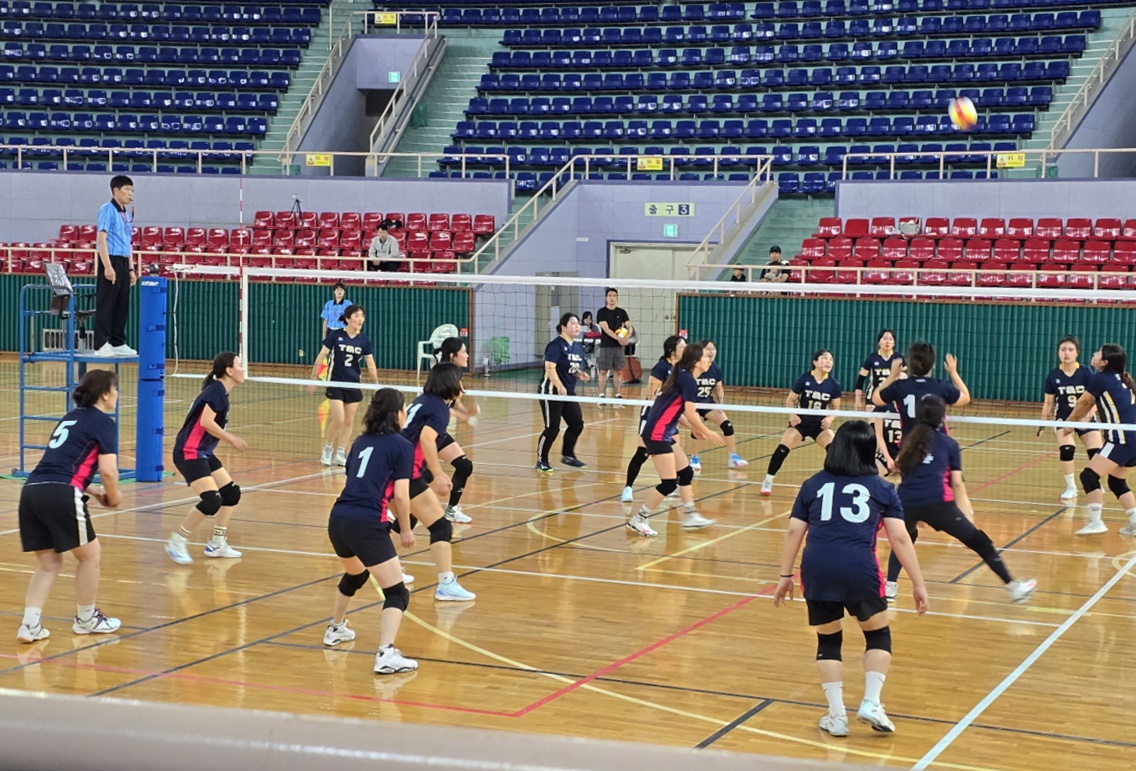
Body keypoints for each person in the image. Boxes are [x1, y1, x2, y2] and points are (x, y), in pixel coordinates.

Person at [772, 420, 929, 737]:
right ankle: (871, 702)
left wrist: (785, 575)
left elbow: (793, 531)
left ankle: (837, 716)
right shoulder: (882, 488)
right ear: (869, 452)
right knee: (878, 635)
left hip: (817, 569)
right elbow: (900, 539)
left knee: (828, 640)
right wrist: (918, 583)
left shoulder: (812, 485)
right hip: (860, 569)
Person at [885, 396, 1038, 603]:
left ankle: (890, 587)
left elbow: (900, 470)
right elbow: (957, 484)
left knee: (904, 537)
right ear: (943, 418)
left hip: (906, 502)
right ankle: (1013, 587)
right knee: (980, 542)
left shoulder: (908, 440)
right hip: (938, 504)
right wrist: (967, 516)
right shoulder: (949, 443)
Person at [17, 370, 123, 642]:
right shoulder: (104, 422)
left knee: (49, 562)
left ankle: (30, 625)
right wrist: (113, 496)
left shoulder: (70, 418)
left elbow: (61, 464)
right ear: (105, 394)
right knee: (90, 555)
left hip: (31, 491)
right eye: (115, 389)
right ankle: (87, 619)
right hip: (61, 493)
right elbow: (108, 471)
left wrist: (94, 490)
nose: (117, 395)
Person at [323, 388, 419, 674]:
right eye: (404, 409)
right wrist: (405, 529)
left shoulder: (361, 441)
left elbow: (356, 480)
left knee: (356, 573)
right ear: (398, 413)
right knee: (397, 592)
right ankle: (386, 653)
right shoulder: (402, 446)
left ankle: (335, 628)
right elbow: (401, 494)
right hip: (366, 523)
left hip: (339, 519)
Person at [392, 363, 477, 601]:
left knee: (407, 519)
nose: (462, 385)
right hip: (404, 471)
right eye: (460, 380)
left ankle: (389, 566)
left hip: (391, 467)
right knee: (441, 527)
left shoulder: (424, 401)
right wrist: (438, 474)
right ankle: (446, 584)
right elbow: (426, 438)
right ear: (451, 382)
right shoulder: (438, 407)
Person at [627, 343, 722, 536]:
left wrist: (695, 428)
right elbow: (691, 413)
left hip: (664, 433)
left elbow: (677, 412)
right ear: (696, 362)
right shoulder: (687, 380)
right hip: (657, 434)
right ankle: (639, 519)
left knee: (686, 473)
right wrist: (708, 431)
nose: (709, 359)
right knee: (669, 483)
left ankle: (690, 515)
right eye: (706, 357)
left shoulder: (684, 377)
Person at [165, 353, 248, 565]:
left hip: (203, 452)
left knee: (230, 493)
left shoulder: (220, 391)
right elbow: (206, 422)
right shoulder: (217, 390)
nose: (243, 369)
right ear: (229, 371)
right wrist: (231, 439)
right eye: (239, 365)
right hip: (189, 451)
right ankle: (177, 540)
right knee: (212, 500)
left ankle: (217, 543)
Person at [1064, 343, 1136, 536]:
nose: (1094, 354)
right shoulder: (1123, 379)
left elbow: (1084, 402)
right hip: (1132, 439)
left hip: (1121, 439)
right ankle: (1135, 522)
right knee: (1117, 481)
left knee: (1089, 476)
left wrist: (1069, 423)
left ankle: (1096, 522)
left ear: (1104, 362)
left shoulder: (1101, 378)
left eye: (1098, 353)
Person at [761, 350, 842, 495]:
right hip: (801, 423)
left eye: (831, 359)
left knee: (835, 450)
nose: (828, 361)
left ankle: (835, 482)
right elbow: (790, 400)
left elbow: (836, 407)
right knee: (783, 448)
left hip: (819, 425)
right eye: (825, 358)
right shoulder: (804, 379)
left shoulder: (834, 384)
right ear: (815, 362)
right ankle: (768, 480)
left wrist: (830, 419)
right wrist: (793, 415)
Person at [309, 304, 379, 467]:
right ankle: (327, 449)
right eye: (356, 316)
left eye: (362, 316)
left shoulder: (364, 340)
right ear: (347, 319)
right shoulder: (336, 335)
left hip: (353, 384)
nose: (360, 319)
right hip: (335, 382)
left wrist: (376, 383)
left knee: (348, 421)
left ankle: (340, 453)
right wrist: (313, 377)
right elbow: (322, 355)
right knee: (338, 419)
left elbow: (370, 362)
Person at [622, 334, 685, 502]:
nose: (685, 349)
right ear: (672, 350)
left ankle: (672, 484)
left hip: (669, 416)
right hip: (652, 413)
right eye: (682, 347)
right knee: (642, 452)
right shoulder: (661, 367)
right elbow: (650, 394)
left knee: (674, 450)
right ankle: (628, 488)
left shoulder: (681, 368)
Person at [1040, 336, 1101, 501]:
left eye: (1070, 349)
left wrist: (1089, 414)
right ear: (1058, 352)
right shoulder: (1053, 375)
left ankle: (1094, 483)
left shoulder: (1086, 372)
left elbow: (1096, 398)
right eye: (1063, 349)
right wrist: (1041, 424)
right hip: (1064, 419)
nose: (1066, 353)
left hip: (1085, 417)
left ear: (1077, 353)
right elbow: (1048, 402)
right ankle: (1071, 487)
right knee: (1067, 449)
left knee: (1096, 453)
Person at [872, 340, 970, 436]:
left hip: (909, 443)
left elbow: (876, 398)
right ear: (933, 364)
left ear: (909, 364)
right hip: (936, 443)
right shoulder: (941, 386)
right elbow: (966, 398)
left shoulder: (900, 386)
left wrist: (892, 375)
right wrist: (953, 372)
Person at [536, 313, 591, 473]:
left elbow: (569, 367)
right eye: (573, 323)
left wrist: (579, 374)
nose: (577, 326)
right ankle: (542, 460)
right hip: (551, 393)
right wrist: (559, 385)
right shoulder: (555, 345)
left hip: (568, 393)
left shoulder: (577, 347)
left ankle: (568, 455)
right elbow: (550, 367)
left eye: (578, 323)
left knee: (577, 424)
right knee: (552, 428)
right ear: (563, 327)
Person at [92, 174, 138, 357]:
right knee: (106, 303)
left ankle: (117, 342)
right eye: (127, 189)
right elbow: (101, 239)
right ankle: (101, 344)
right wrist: (108, 266)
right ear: (116, 190)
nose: (130, 193)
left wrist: (131, 267)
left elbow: (128, 242)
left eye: (131, 190)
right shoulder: (107, 210)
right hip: (110, 259)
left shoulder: (126, 214)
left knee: (122, 303)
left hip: (123, 260)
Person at [434, 337, 478, 524]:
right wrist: (463, 417)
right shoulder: (442, 374)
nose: (467, 355)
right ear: (453, 356)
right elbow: (438, 406)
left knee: (464, 466)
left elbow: (453, 402)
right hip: (424, 432)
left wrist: (466, 412)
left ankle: (451, 510)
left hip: (437, 432)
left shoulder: (455, 374)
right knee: (418, 476)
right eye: (463, 352)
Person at [688, 340, 748, 473]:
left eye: (713, 349)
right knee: (697, 427)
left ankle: (733, 457)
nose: (711, 351)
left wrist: (721, 404)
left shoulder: (716, 368)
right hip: (692, 404)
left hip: (707, 402)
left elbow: (719, 387)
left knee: (727, 425)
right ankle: (694, 458)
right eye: (708, 349)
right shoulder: (694, 367)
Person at [595, 288, 632, 407]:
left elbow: (629, 326)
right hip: (606, 345)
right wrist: (619, 338)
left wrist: (627, 337)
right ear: (606, 298)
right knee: (603, 371)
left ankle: (618, 395)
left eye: (614, 295)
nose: (612, 298)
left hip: (618, 347)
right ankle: (601, 396)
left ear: (617, 298)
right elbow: (606, 329)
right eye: (610, 295)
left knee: (618, 371)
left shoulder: (622, 312)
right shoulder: (602, 312)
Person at [853, 329, 904, 412]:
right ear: (879, 342)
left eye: (890, 339)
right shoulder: (872, 358)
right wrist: (857, 401)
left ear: (894, 343)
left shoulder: (899, 358)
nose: (887, 342)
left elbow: (907, 376)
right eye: (884, 339)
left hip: (892, 396)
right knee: (873, 418)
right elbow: (860, 380)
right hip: (873, 395)